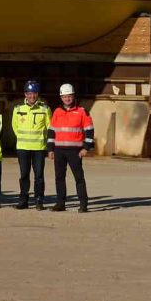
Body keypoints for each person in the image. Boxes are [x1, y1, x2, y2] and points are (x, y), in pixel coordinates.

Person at [48, 80, 93, 213]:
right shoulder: (57, 112)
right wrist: (50, 149)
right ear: (61, 97)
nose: (67, 99)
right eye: (64, 96)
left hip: (75, 151)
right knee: (59, 178)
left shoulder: (82, 111)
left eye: (69, 96)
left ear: (73, 96)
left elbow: (89, 130)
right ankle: (60, 203)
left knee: (79, 178)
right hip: (59, 150)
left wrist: (86, 148)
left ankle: (83, 204)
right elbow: (51, 131)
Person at [10, 80, 52, 210]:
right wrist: (22, 138)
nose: (32, 96)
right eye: (29, 93)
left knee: (39, 175)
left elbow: (49, 127)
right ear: (25, 94)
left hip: (39, 148)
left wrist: (47, 143)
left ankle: (39, 201)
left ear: (37, 94)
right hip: (23, 147)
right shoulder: (18, 109)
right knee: (24, 175)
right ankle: (23, 200)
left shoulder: (45, 109)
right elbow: (15, 126)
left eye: (34, 93)